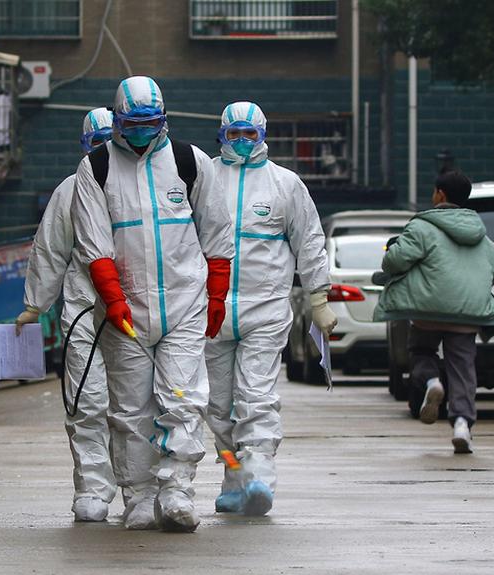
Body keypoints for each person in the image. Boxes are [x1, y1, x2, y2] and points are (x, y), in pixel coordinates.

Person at [71, 76, 234, 532]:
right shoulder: (97, 167)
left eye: (151, 123)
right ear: (117, 119)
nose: (141, 131)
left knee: (182, 399)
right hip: (125, 310)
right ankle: (139, 497)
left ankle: (178, 490)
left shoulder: (189, 161)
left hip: (184, 302)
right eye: (132, 123)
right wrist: (113, 299)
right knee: (129, 409)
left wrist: (216, 294)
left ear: (164, 119)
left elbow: (218, 235)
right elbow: (93, 243)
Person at [203, 101, 334, 516]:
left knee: (256, 397)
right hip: (211, 311)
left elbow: (309, 240)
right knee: (216, 408)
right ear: (221, 135)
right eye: (233, 135)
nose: (241, 142)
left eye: (250, 135)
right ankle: (233, 476)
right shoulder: (204, 178)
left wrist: (318, 298)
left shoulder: (285, 184)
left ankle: (258, 477)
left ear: (263, 135)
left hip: (265, 309)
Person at [16, 108, 116, 522]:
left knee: (140, 406)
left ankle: (143, 488)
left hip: (143, 314)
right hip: (85, 312)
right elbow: (51, 250)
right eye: (98, 144)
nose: (105, 153)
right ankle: (93, 486)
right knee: (87, 401)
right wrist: (34, 304)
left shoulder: (151, 187)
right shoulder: (70, 192)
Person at [374, 170, 494, 453]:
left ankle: (432, 382)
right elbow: (491, 274)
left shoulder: (422, 227)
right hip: (468, 313)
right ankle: (462, 425)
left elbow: (395, 262)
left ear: (440, 194)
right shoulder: (483, 237)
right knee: (463, 369)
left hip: (428, 310)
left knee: (421, 352)